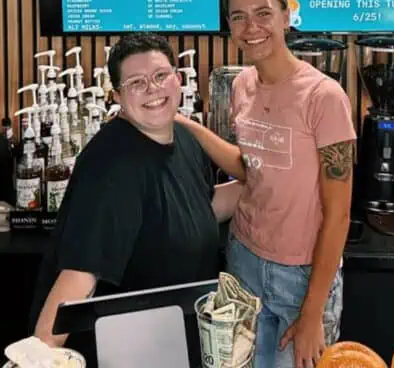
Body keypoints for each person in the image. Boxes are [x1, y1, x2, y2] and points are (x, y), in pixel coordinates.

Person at [177, 0, 356, 368]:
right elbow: (252, 168)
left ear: (286, 17)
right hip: (243, 263)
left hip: (302, 277)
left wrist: (312, 313)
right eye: (238, 17)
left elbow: (339, 215)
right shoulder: (242, 85)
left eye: (263, 13)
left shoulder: (324, 97)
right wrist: (184, 124)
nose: (250, 27)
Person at [29, 33, 243, 363]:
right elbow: (81, 274)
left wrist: (272, 185)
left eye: (160, 76)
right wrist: (40, 356)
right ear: (117, 95)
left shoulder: (183, 138)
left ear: (179, 78)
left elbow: (198, 208)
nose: (152, 89)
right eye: (136, 82)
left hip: (175, 337)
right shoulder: (112, 164)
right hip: (129, 348)